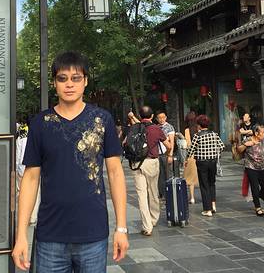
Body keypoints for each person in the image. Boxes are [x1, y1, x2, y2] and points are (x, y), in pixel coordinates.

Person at [12, 51, 129, 272]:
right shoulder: (40, 123)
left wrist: (121, 228)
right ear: (54, 83)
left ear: (86, 81)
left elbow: (115, 173)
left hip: (93, 233)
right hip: (50, 236)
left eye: (76, 78)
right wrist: (21, 236)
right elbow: (30, 178)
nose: (69, 84)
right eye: (62, 78)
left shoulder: (102, 120)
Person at [133, 106, 171, 236]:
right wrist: (169, 154)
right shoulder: (156, 129)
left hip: (137, 164)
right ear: (152, 116)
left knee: (141, 195)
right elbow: (168, 145)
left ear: (140, 116)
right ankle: (154, 219)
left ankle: (147, 226)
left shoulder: (135, 128)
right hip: (152, 162)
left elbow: (126, 143)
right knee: (153, 191)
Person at [184, 115, 225, 217]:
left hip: (201, 162)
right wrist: (215, 153)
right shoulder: (214, 134)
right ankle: (213, 205)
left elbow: (191, 150)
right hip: (212, 162)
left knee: (204, 185)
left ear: (199, 125)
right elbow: (222, 146)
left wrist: (186, 159)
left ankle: (207, 209)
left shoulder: (197, 136)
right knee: (212, 183)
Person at [15, 121, 39, 225]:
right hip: (34, 169)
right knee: (35, 194)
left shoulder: (21, 138)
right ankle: (32, 217)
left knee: (21, 193)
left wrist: (17, 169)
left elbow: (18, 156)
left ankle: (24, 216)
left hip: (22, 169)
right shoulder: (35, 137)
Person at [243, 124, 264, 216]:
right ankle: (258, 207)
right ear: (256, 133)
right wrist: (245, 145)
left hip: (263, 166)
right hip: (251, 167)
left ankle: (257, 196)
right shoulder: (248, 140)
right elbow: (238, 150)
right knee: (254, 187)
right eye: (263, 132)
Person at [156, 111, 176, 199]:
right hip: (158, 154)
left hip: (166, 154)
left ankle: (170, 193)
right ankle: (162, 193)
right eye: (159, 118)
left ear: (166, 118)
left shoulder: (169, 127)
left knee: (168, 174)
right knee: (160, 175)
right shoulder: (156, 127)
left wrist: (170, 155)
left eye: (163, 117)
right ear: (157, 119)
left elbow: (172, 142)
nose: (161, 119)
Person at [183, 111, 199, 204]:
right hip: (201, 155)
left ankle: (192, 198)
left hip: (191, 157)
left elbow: (187, 145)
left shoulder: (187, 131)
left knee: (190, 179)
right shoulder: (199, 129)